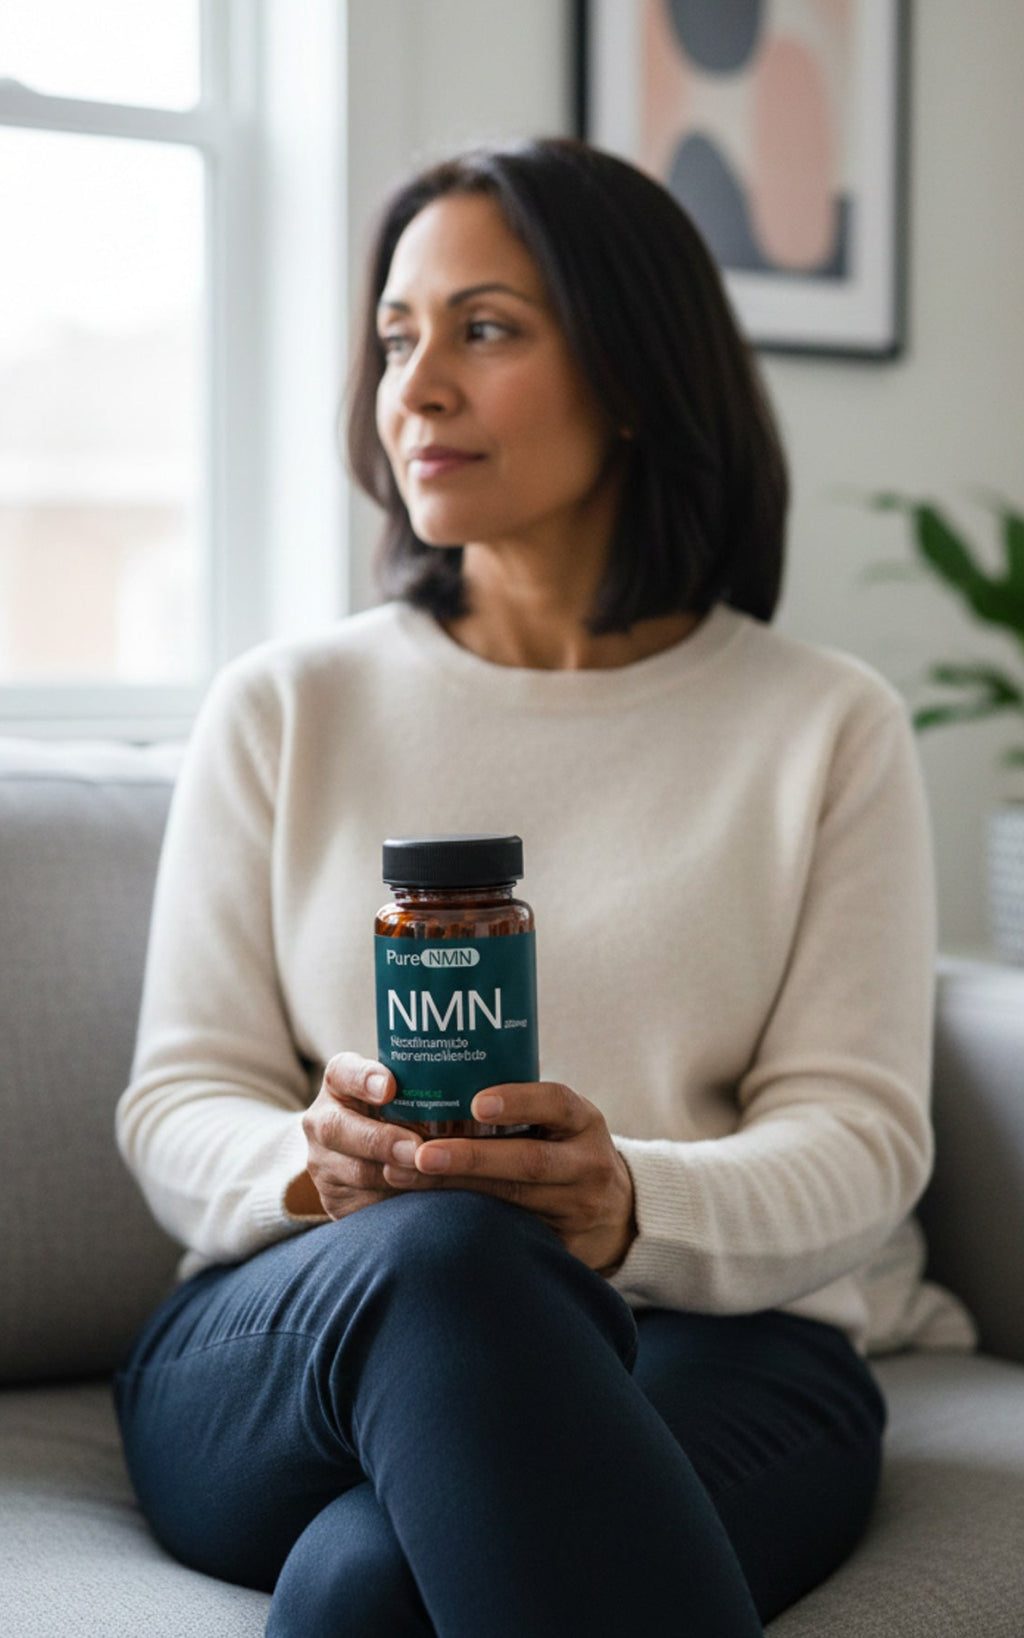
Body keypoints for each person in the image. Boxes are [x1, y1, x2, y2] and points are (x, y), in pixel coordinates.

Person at [113, 137, 971, 1637]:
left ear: (635, 374)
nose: (416, 385)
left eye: (485, 327)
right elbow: (177, 1098)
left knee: (371, 1585)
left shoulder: (824, 724)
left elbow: (863, 1136)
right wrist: (317, 1173)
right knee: (449, 1248)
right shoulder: (284, 704)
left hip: (713, 1341)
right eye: (396, 337)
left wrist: (628, 1200)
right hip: (299, 1337)